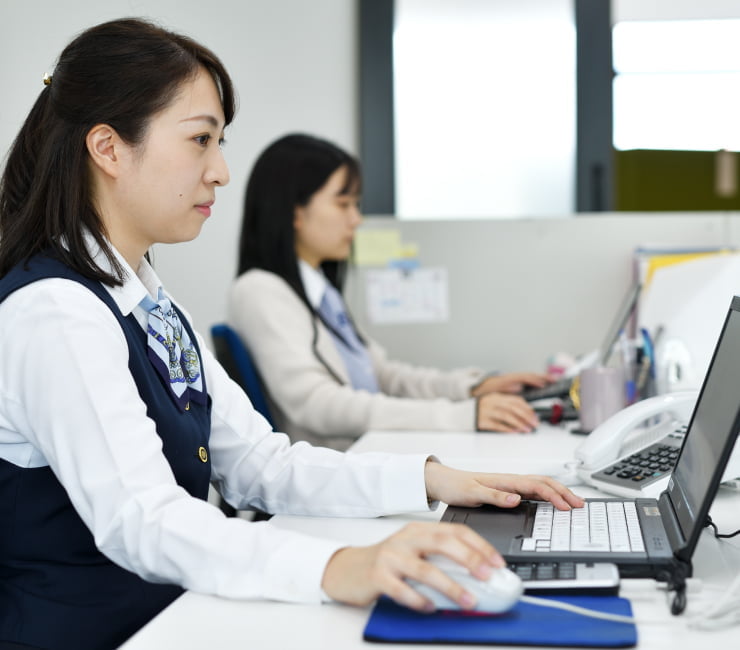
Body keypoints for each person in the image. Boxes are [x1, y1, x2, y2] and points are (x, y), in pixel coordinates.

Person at [0, 18, 583, 650]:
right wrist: (341, 567)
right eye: (200, 140)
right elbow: (142, 519)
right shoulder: (56, 312)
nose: (221, 171)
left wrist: (431, 479)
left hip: (169, 618)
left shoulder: (146, 300)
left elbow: (260, 463)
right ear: (109, 148)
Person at [230, 133, 556, 450]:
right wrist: (459, 416)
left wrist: (471, 388)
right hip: (335, 464)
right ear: (294, 212)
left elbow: (383, 376)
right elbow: (316, 404)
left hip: (364, 453)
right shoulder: (261, 291)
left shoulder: (320, 292)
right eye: (343, 204)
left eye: (356, 205)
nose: (356, 219)